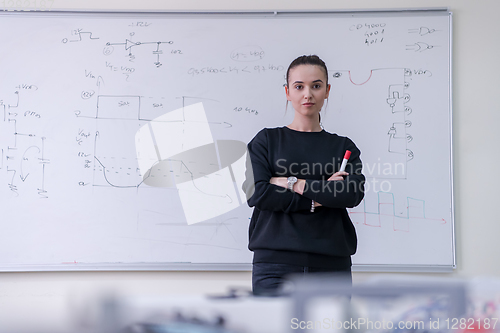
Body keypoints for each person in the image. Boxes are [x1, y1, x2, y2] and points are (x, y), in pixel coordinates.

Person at [242, 55, 365, 296]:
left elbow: (351, 194)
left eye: (316, 86)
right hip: (274, 266)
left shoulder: (342, 147)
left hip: (331, 265)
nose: (307, 94)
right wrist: (319, 196)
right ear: (288, 92)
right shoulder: (266, 141)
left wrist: (293, 182)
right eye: (299, 87)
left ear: (327, 90)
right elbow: (257, 192)